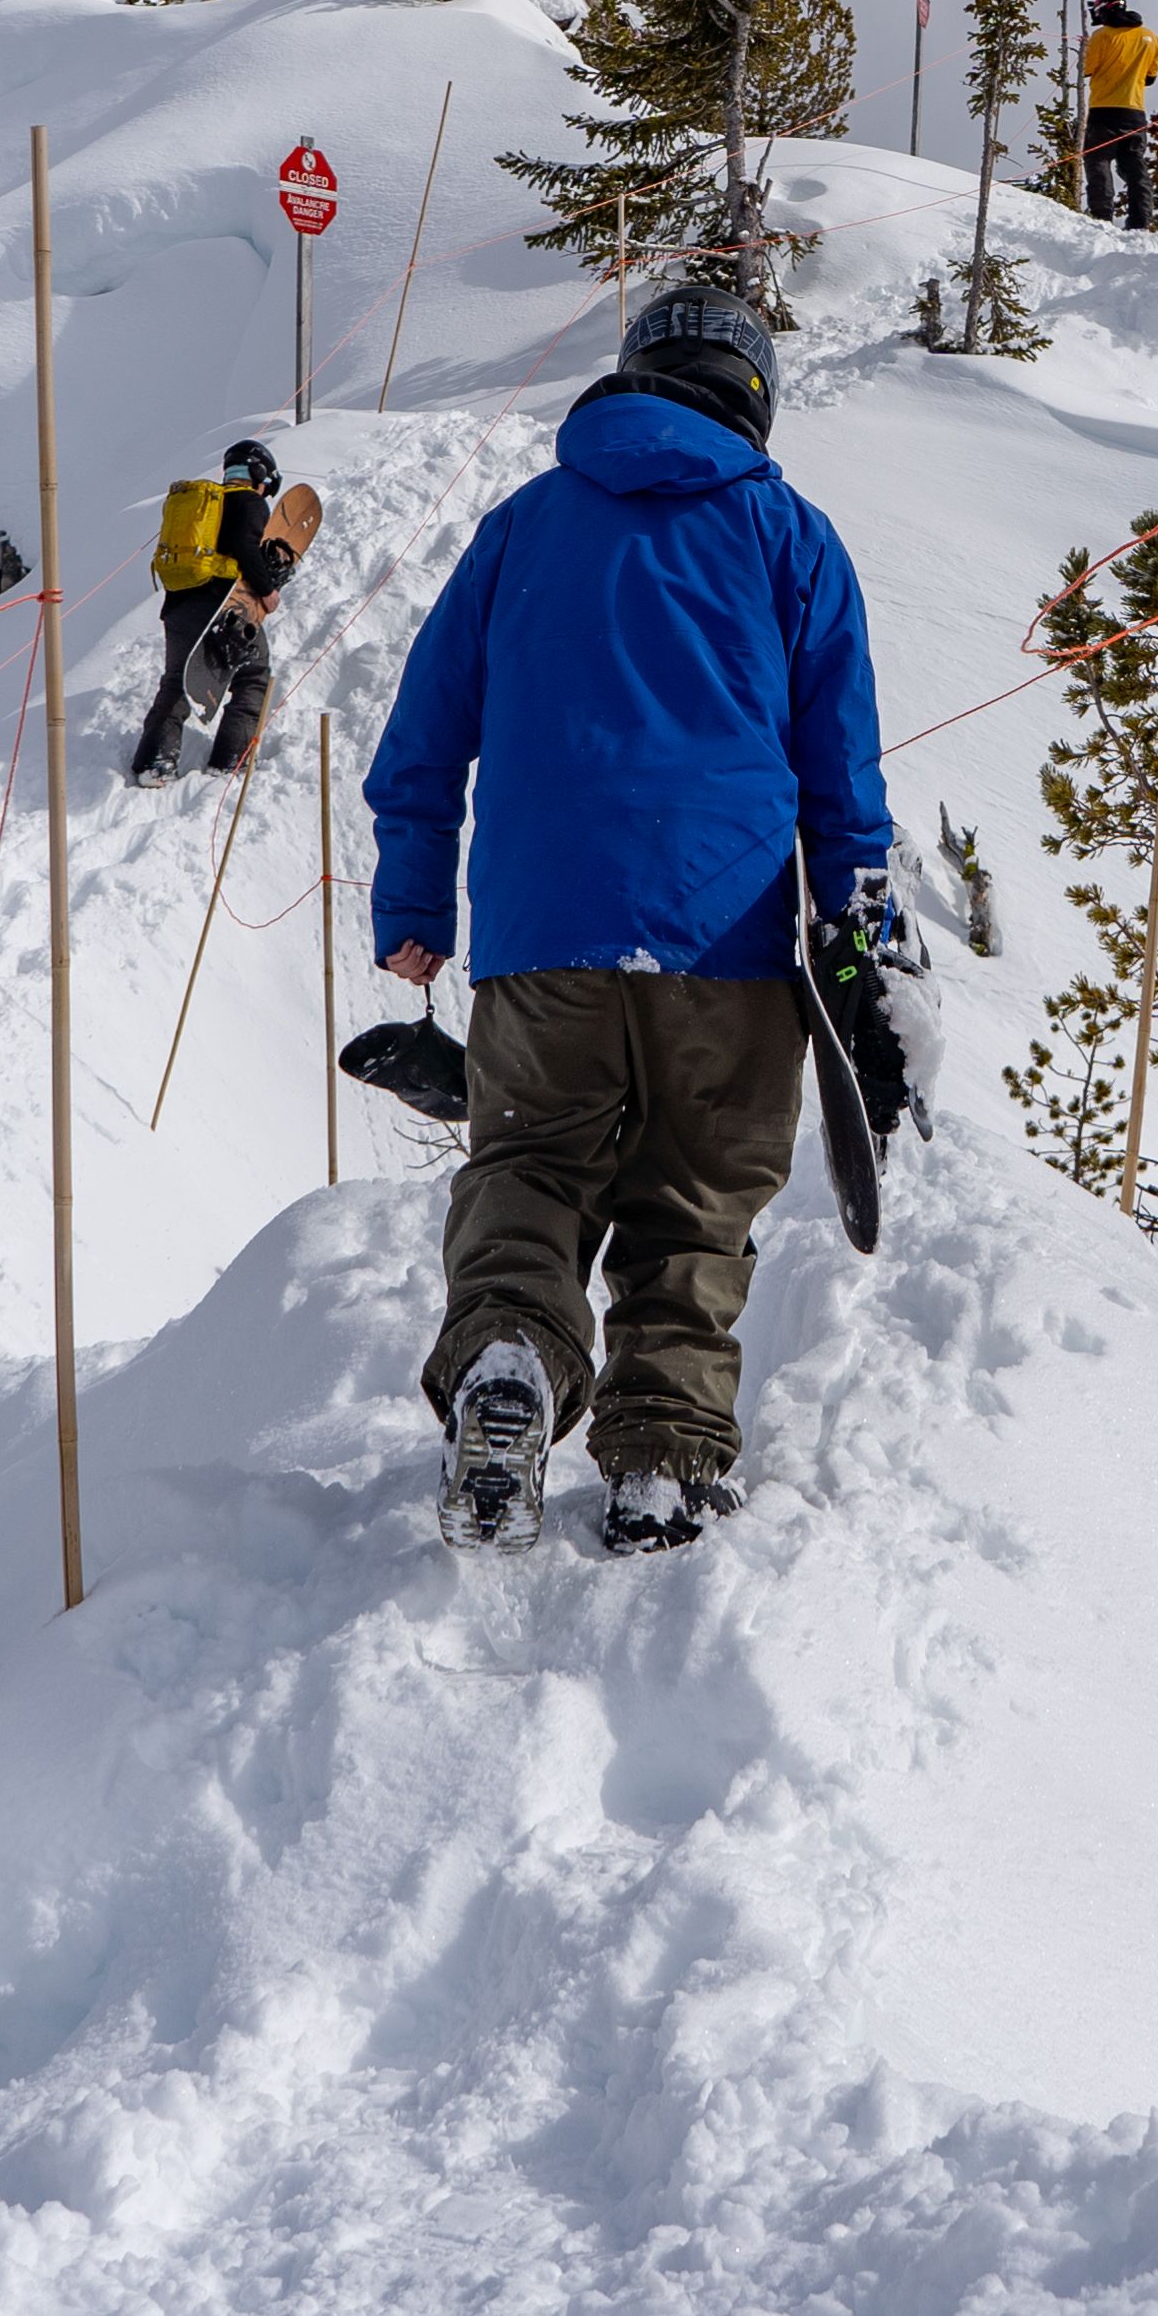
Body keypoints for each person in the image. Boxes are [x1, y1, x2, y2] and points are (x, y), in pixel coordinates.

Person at [369, 282, 913, 1556]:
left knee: (529, 1165)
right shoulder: (792, 535)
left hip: (538, 932)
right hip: (722, 937)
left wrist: (413, 904)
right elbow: (844, 774)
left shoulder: (523, 525)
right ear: (755, 399)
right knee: (696, 1195)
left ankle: (512, 1348)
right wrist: (852, 932)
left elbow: (423, 733)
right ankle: (663, 1459)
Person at [126, 436, 303, 786]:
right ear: (259, 475)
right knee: (253, 677)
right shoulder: (249, 503)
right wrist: (267, 590)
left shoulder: (204, 506)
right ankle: (229, 763)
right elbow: (244, 548)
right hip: (225, 609)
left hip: (179, 607)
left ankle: (153, 764)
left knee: (177, 682)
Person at [1075, 0, 1158, 228]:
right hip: (1135, 113)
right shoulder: (1151, 37)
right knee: (1135, 165)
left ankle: (1102, 216)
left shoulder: (1101, 36)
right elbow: (1150, 78)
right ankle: (1141, 220)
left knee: (1097, 162)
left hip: (1104, 110)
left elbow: (1085, 70)